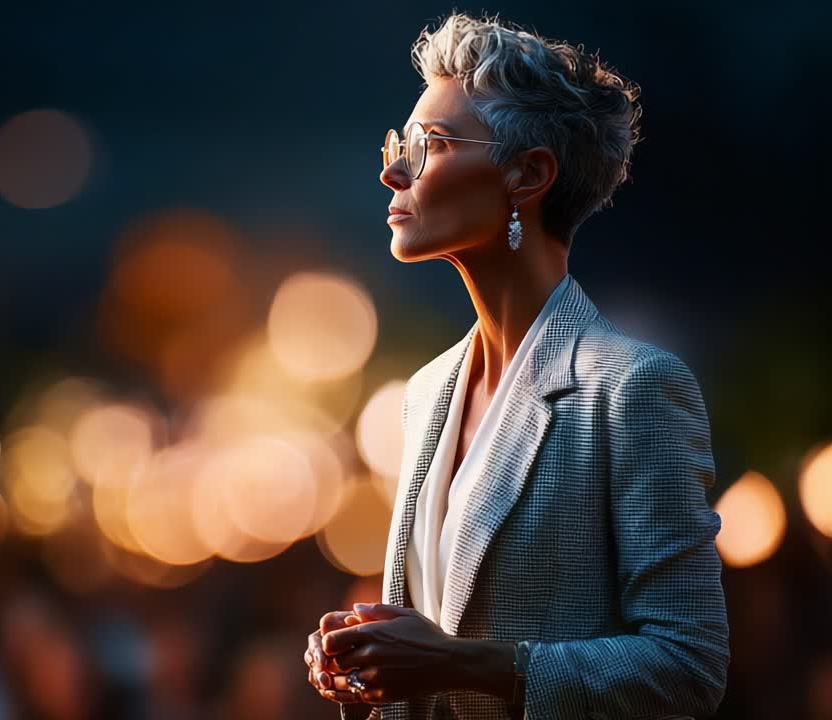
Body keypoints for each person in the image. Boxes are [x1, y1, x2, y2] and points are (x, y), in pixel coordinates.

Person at [303, 11, 729, 720]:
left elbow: (690, 663)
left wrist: (462, 663)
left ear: (528, 174)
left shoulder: (632, 389)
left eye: (429, 144)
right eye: (398, 141)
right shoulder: (425, 392)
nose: (392, 169)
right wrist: (368, 658)